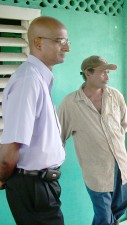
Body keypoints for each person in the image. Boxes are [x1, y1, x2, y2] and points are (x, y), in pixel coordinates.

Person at [0, 16, 70, 224]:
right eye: (61, 41)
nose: (67, 48)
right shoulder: (28, 81)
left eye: (67, 42)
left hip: (42, 184)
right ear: (38, 42)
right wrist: (3, 176)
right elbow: (11, 146)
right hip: (33, 186)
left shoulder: (39, 78)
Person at [58, 55, 127, 225]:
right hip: (95, 170)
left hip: (120, 164)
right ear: (87, 73)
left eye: (108, 72)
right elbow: (58, 136)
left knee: (120, 206)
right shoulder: (71, 103)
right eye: (102, 72)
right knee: (104, 216)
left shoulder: (115, 96)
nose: (107, 76)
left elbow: (124, 124)